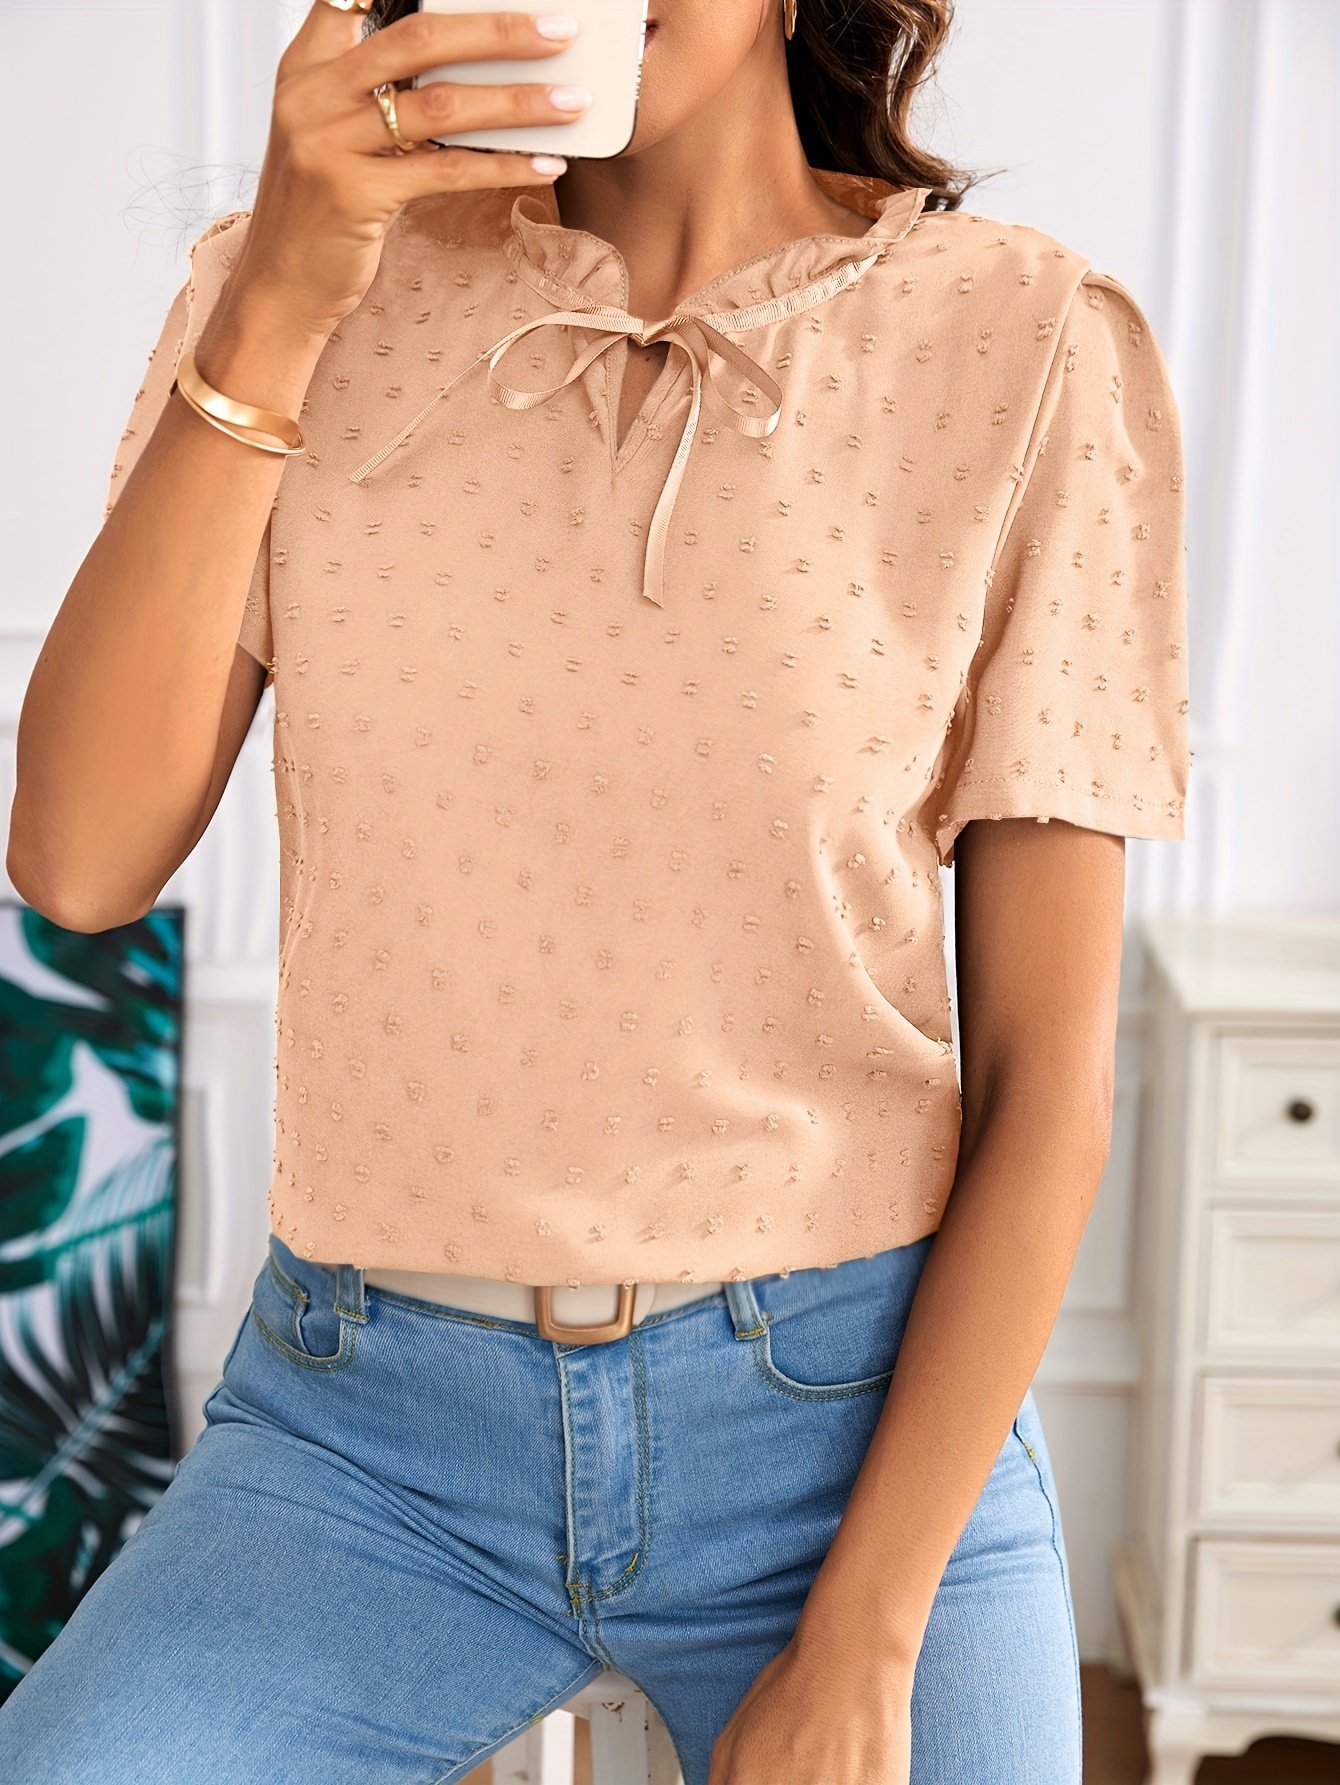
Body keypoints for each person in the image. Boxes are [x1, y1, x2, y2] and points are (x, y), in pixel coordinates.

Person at [1, 1, 1190, 1780]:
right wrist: (282, 296)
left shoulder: (1021, 343)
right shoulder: (301, 290)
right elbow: (80, 858)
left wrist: (865, 1636)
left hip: (846, 1434)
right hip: (364, 1441)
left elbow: (1051, 1090)